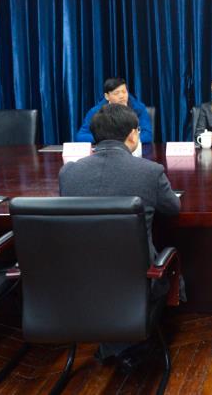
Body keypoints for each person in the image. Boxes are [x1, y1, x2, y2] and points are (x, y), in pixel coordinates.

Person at [59, 103, 180, 370]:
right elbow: (173, 208)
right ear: (133, 134)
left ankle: (113, 345)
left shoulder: (69, 172)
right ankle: (124, 347)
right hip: (137, 279)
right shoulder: (150, 171)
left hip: (81, 278)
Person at [76, 77, 153, 143]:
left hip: (131, 149)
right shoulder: (96, 111)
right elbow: (81, 136)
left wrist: (124, 141)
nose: (122, 96)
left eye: (124, 92)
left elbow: (147, 135)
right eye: (116, 93)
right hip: (107, 149)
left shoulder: (138, 109)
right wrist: (107, 140)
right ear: (107, 96)